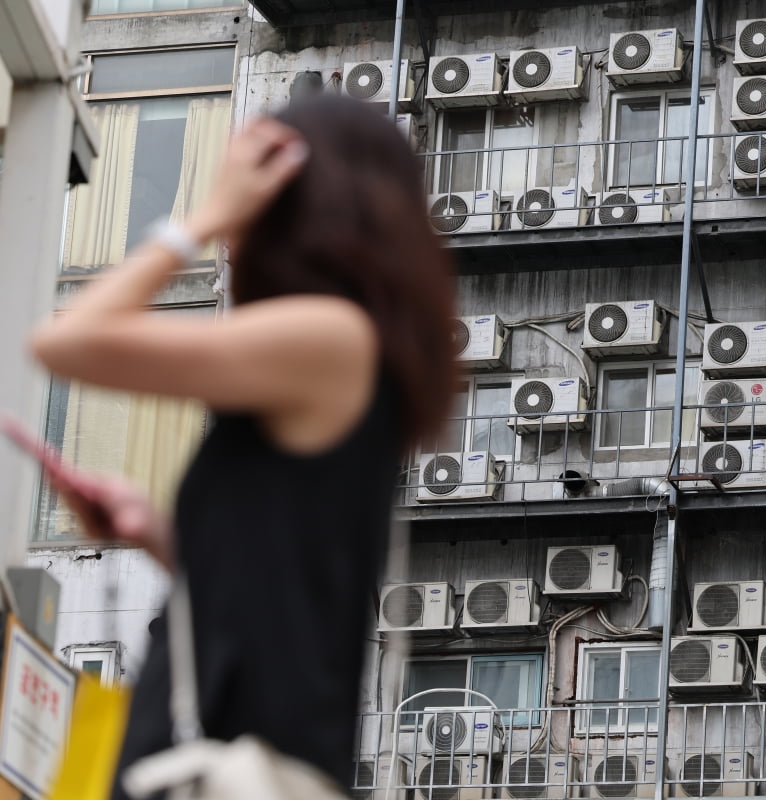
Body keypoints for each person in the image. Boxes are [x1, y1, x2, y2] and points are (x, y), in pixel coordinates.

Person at [28, 95, 457, 798]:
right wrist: (161, 535)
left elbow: (62, 341)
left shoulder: (329, 336)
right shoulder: (349, 353)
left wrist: (196, 221)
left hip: (224, 763)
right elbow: (285, 587)